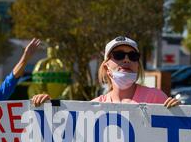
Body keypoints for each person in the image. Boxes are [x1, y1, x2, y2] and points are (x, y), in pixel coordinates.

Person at [31, 36, 180, 107]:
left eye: (133, 56)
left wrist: (180, 112)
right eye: (119, 55)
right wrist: (45, 108)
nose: (126, 60)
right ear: (106, 67)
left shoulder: (156, 97)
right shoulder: (93, 107)